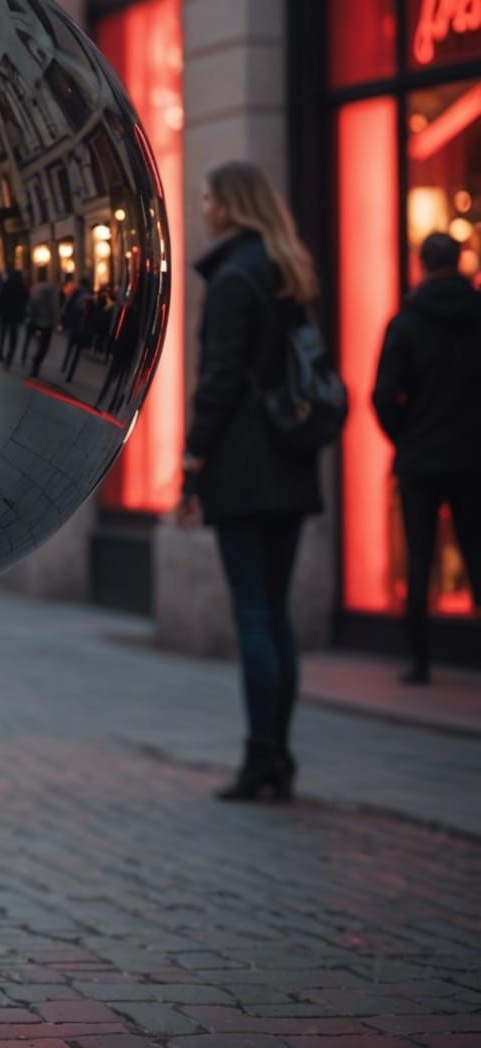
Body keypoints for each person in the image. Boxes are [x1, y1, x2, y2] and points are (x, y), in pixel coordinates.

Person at [178, 162, 324, 803]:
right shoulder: (289, 268)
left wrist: (193, 455)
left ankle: (260, 757)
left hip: (244, 464)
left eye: (209, 197)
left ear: (231, 206)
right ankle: (280, 755)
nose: (205, 206)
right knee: (277, 613)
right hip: (289, 461)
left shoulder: (235, 277)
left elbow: (220, 378)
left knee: (254, 613)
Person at [373, 232, 481, 687]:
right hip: (472, 456)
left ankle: (419, 662)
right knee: (477, 552)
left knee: (419, 559)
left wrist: (406, 436)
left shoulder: (407, 321)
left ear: (422, 263)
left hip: (420, 457)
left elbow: (382, 395)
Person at [25, 270, 61, 379]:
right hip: (46, 322)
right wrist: (57, 321)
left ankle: (31, 360)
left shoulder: (35, 288)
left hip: (35, 321)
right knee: (44, 346)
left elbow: (30, 304)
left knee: (37, 343)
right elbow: (55, 306)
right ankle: (36, 363)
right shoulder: (51, 289)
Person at [59, 278, 95, 383]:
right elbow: (92, 316)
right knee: (76, 353)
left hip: (76, 326)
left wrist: (64, 321)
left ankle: (65, 367)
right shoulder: (90, 298)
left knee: (70, 349)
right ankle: (69, 373)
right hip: (82, 328)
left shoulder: (77, 295)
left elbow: (69, 307)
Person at [0, 267, 27, 365]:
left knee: (3, 334)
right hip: (14, 315)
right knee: (13, 337)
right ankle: (9, 356)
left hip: (4, 314)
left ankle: (0, 353)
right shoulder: (21, 287)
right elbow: (24, 300)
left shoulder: (5, 285)